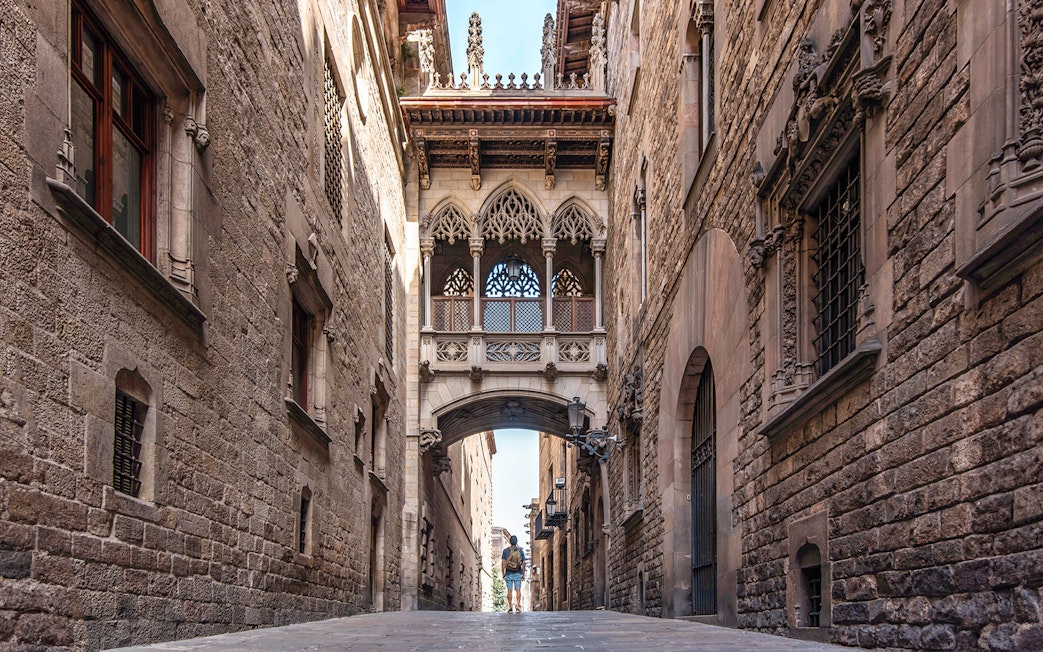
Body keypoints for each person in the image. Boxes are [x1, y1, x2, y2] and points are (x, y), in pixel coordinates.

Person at [500, 535, 526, 613]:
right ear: (516, 542)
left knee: (509, 590)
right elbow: (524, 563)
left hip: (508, 573)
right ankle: (518, 606)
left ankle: (510, 607)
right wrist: (523, 574)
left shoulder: (505, 551)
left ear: (510, 542)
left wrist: (503, 573)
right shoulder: (520, 551)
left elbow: (503, 563)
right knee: (518, 590)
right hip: (518, 573)